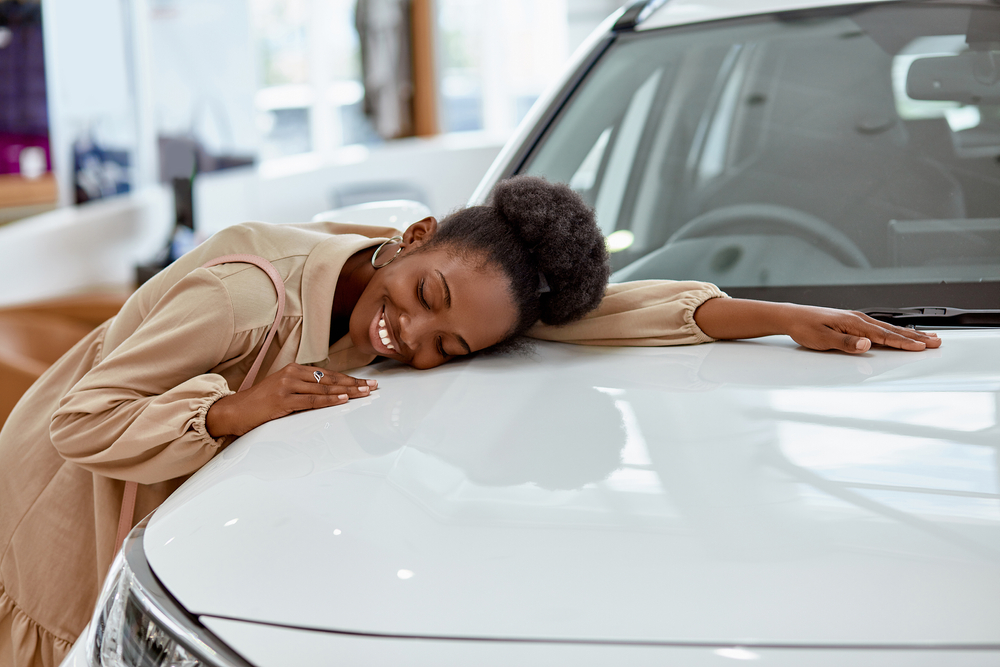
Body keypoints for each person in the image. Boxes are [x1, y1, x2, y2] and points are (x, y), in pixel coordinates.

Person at [0, 175, 939, 667]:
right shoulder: (246, 296)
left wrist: (776, 318)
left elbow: (600, 311)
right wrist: (235, 408)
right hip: (54, 521)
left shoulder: (456, 287)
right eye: (423, 296)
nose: (409, 335)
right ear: (409, 237)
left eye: (449, 347)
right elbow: (86, 417)